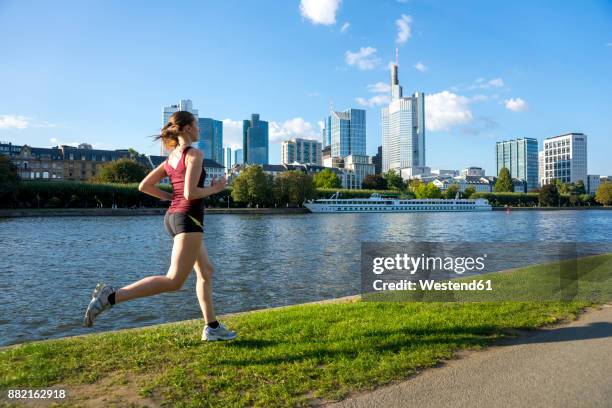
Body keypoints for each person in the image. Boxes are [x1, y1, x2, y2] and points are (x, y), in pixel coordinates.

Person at [83, 110, 237, 341]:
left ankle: (212, 327)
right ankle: (111, 297)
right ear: (186, 128)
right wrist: (216, 188)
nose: (198, 130)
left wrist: (168, 198)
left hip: (174, 217)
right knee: (174, 281)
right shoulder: (193, 154)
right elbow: (191, 192)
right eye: (196, 125)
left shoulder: (171, 158)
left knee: (206, 271)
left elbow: (144, 185)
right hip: (188, 218)